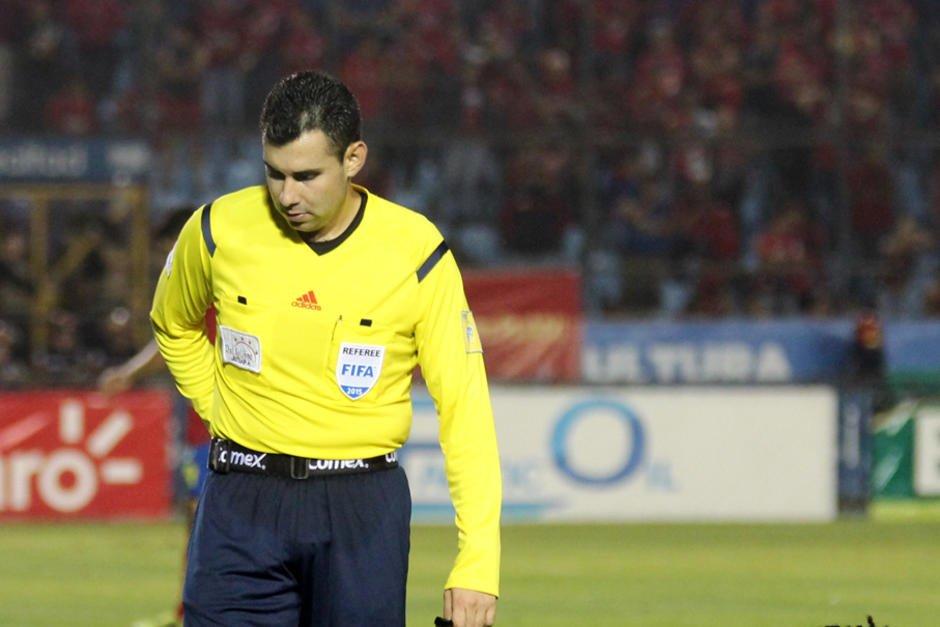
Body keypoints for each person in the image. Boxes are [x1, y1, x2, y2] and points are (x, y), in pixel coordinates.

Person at [150, 70, 502, 627]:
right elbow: (172, 324)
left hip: (361, 510)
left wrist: (478, 560)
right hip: (239, 500)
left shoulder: (416, 251)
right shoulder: (217, 229)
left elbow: (465, 407)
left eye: (307, 176)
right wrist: (219, 408)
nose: (287, 196)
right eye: (275, 174)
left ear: (354, 158)